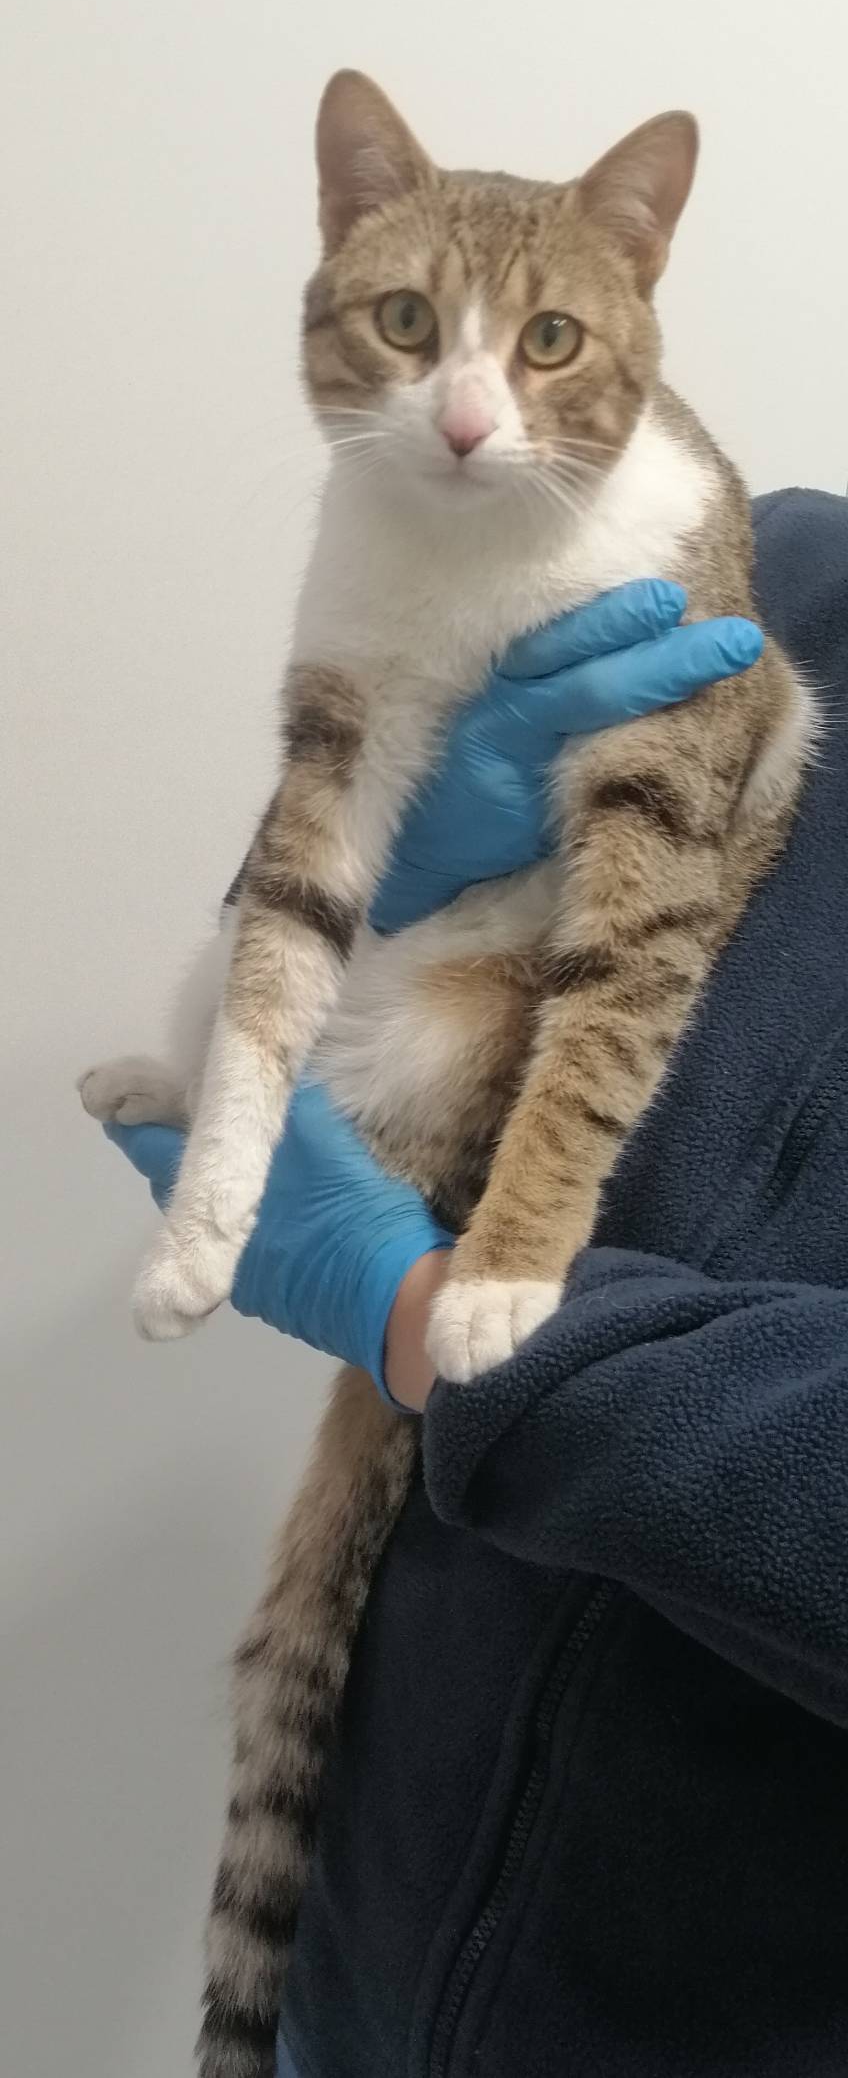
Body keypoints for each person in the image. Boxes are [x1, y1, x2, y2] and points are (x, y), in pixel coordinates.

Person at [109, 489, 848, 2078]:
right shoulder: (771, 569)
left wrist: (427, 1316)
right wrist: (359, 889)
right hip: (367, 1931)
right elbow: (327, 880)